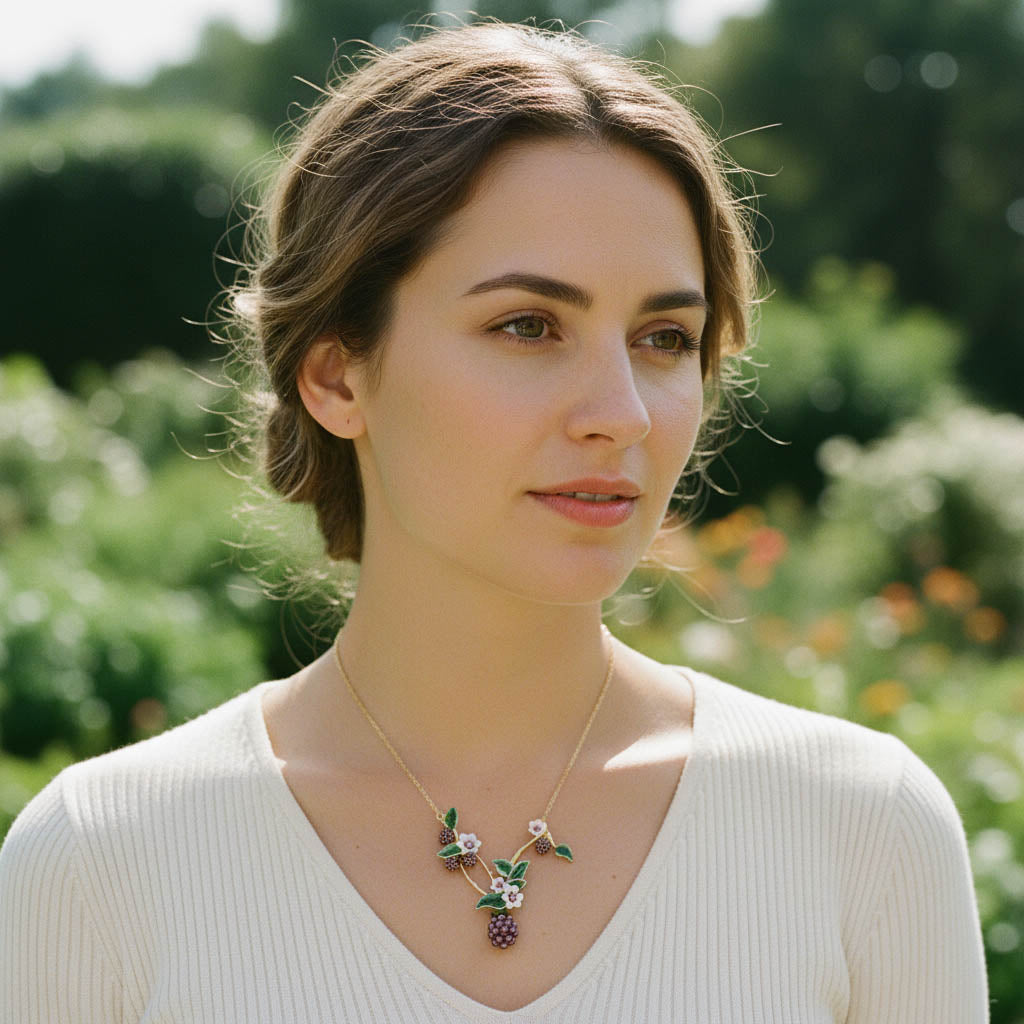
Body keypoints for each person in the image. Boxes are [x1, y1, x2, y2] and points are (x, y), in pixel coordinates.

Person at [0, 19, 989, 1022]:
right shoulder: (99, 862)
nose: (621, 412)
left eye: (663, 337)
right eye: (527, 325)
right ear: (337, 373)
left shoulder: (862, 830)